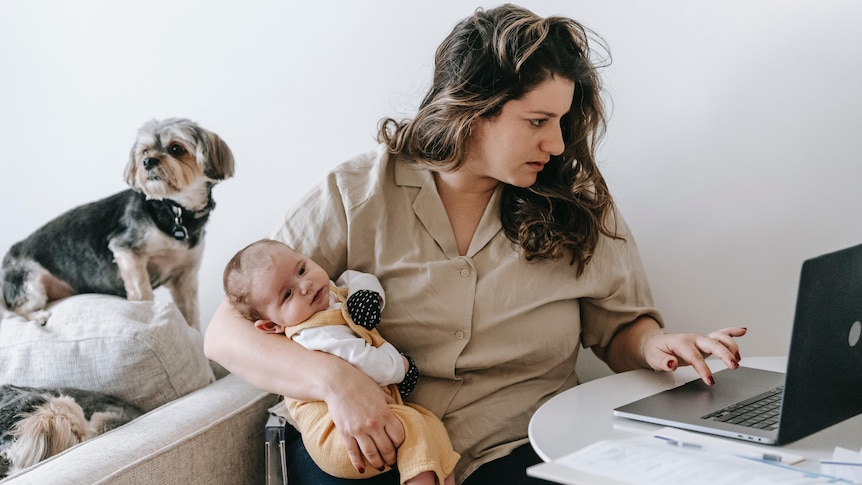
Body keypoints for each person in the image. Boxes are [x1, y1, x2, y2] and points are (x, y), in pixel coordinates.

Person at [204, 4, 746, 484]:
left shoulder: (578, 204)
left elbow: (621, 327)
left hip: (521, 446)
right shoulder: (354, 193)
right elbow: (227, 332)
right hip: (372, 445)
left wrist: (655, 347)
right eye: (537, 121)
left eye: (560, 122)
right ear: (472, 110)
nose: (556, 144)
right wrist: (335, 378)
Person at [222, 239, 459, 485]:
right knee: (414, 428)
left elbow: (355, 278)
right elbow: (367, 363)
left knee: (431, 425)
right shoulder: (314, 333)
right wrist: (401, 366)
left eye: (302, 270)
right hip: (337, 437)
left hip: (368, 418)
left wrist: (369, 297)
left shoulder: (328, 294)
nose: (305, 285)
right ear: (272, 326)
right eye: (287, 294)